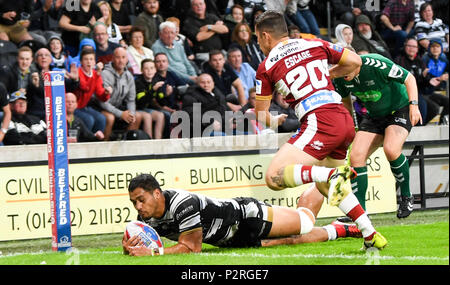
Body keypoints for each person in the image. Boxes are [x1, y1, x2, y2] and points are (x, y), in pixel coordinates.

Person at [253, 10, 386, 250]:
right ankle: (369, 232)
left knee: (274, 177)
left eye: (258, 39)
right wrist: (329, 73)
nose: (259, 44)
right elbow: (355, 62)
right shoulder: (313, 42)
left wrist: (274, 122)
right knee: (332, 188)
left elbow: (261, 115)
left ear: (265, 36)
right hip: (343, 118)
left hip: (320, 120)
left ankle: (324, 174)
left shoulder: (267, 65)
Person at [122, 173, 362, 256]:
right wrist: (132, 246)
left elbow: (191, 248)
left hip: (247, 216)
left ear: (156, 194)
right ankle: (338, 229)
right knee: (290, 241)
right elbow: (150, 239)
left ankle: (324, 178)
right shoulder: (147, 217)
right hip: (231, 239)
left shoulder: (183, 204)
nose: (138, 208)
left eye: (141, 200)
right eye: (134, 203)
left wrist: (152, 252)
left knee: (305, 222)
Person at [333, 53, 422, 219]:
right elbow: (346, 102)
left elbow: (409, 78)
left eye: (345, 68)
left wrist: (414, 106)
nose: (343, 73)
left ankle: (406, 196)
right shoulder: (339, 76)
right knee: (356, 156)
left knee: (390, 149)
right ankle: (360, 213)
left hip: (400, 109)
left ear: (355, 62)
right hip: (374, 115)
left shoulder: (376, 64)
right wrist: (351, 126)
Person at [99, 47, 143, 140]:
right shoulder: (105, 74)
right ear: (113, 58)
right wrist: (121, 114)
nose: (121, 60)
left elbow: (131, 100)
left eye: (123, 57)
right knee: (110, 118)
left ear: (127, 59)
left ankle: (127, 145)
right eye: (118, 57)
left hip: (118, 107)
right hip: (101, 107)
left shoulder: (129, 76)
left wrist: (131, 114)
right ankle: (104, 146)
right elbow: (103, 102)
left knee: (136, 116)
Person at [73, 49, 111, 133]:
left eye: (91, 59)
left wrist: (106, 93)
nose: (88, 62)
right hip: (73, 107)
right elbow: (85, 87)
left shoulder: (95, 74)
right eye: (86, 59)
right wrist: (97, 75)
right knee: (89, 120)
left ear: (94, 62)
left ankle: (97, 141)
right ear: (81, 62)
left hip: (84, 106)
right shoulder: (78, 72)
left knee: (101, 119)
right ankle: (86, 141)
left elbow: (101, 95)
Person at [182, 73, 229, 137]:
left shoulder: (218, 94)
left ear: (213, 83)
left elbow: (224, 110)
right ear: (197, 84)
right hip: (200, 131)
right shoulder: (190, 95)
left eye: (208, 82)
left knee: (243, 134)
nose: (206, 85)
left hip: (221, 128)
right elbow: (192, 115)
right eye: (202, 82)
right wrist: (211, 123)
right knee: (222, 136)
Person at [135, 58, 166, 140]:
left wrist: (166, 94)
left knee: (161, 115)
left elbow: (162, 102)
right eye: (146, 68)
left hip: (148, 108)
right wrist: (153, 90)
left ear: (155, 70)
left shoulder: (157, 80)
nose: (149, 71)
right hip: (137, 108)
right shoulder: (138, 82)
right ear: (141, 70)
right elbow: (141, 102)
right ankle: (149, 141)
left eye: (152, 68)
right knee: (147, 116)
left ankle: (158, 140)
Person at [421, 37, 449, 124]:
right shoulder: (425, 59)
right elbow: (424, 78)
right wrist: (439, 78)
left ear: (441, 48)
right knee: (434, 108)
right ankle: (422, 124)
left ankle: (442, 122)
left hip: (436, 89)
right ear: (429, 48)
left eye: (437, 47)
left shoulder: (444, 59)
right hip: (424, 92)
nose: (435, 49)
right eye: (433, 47)